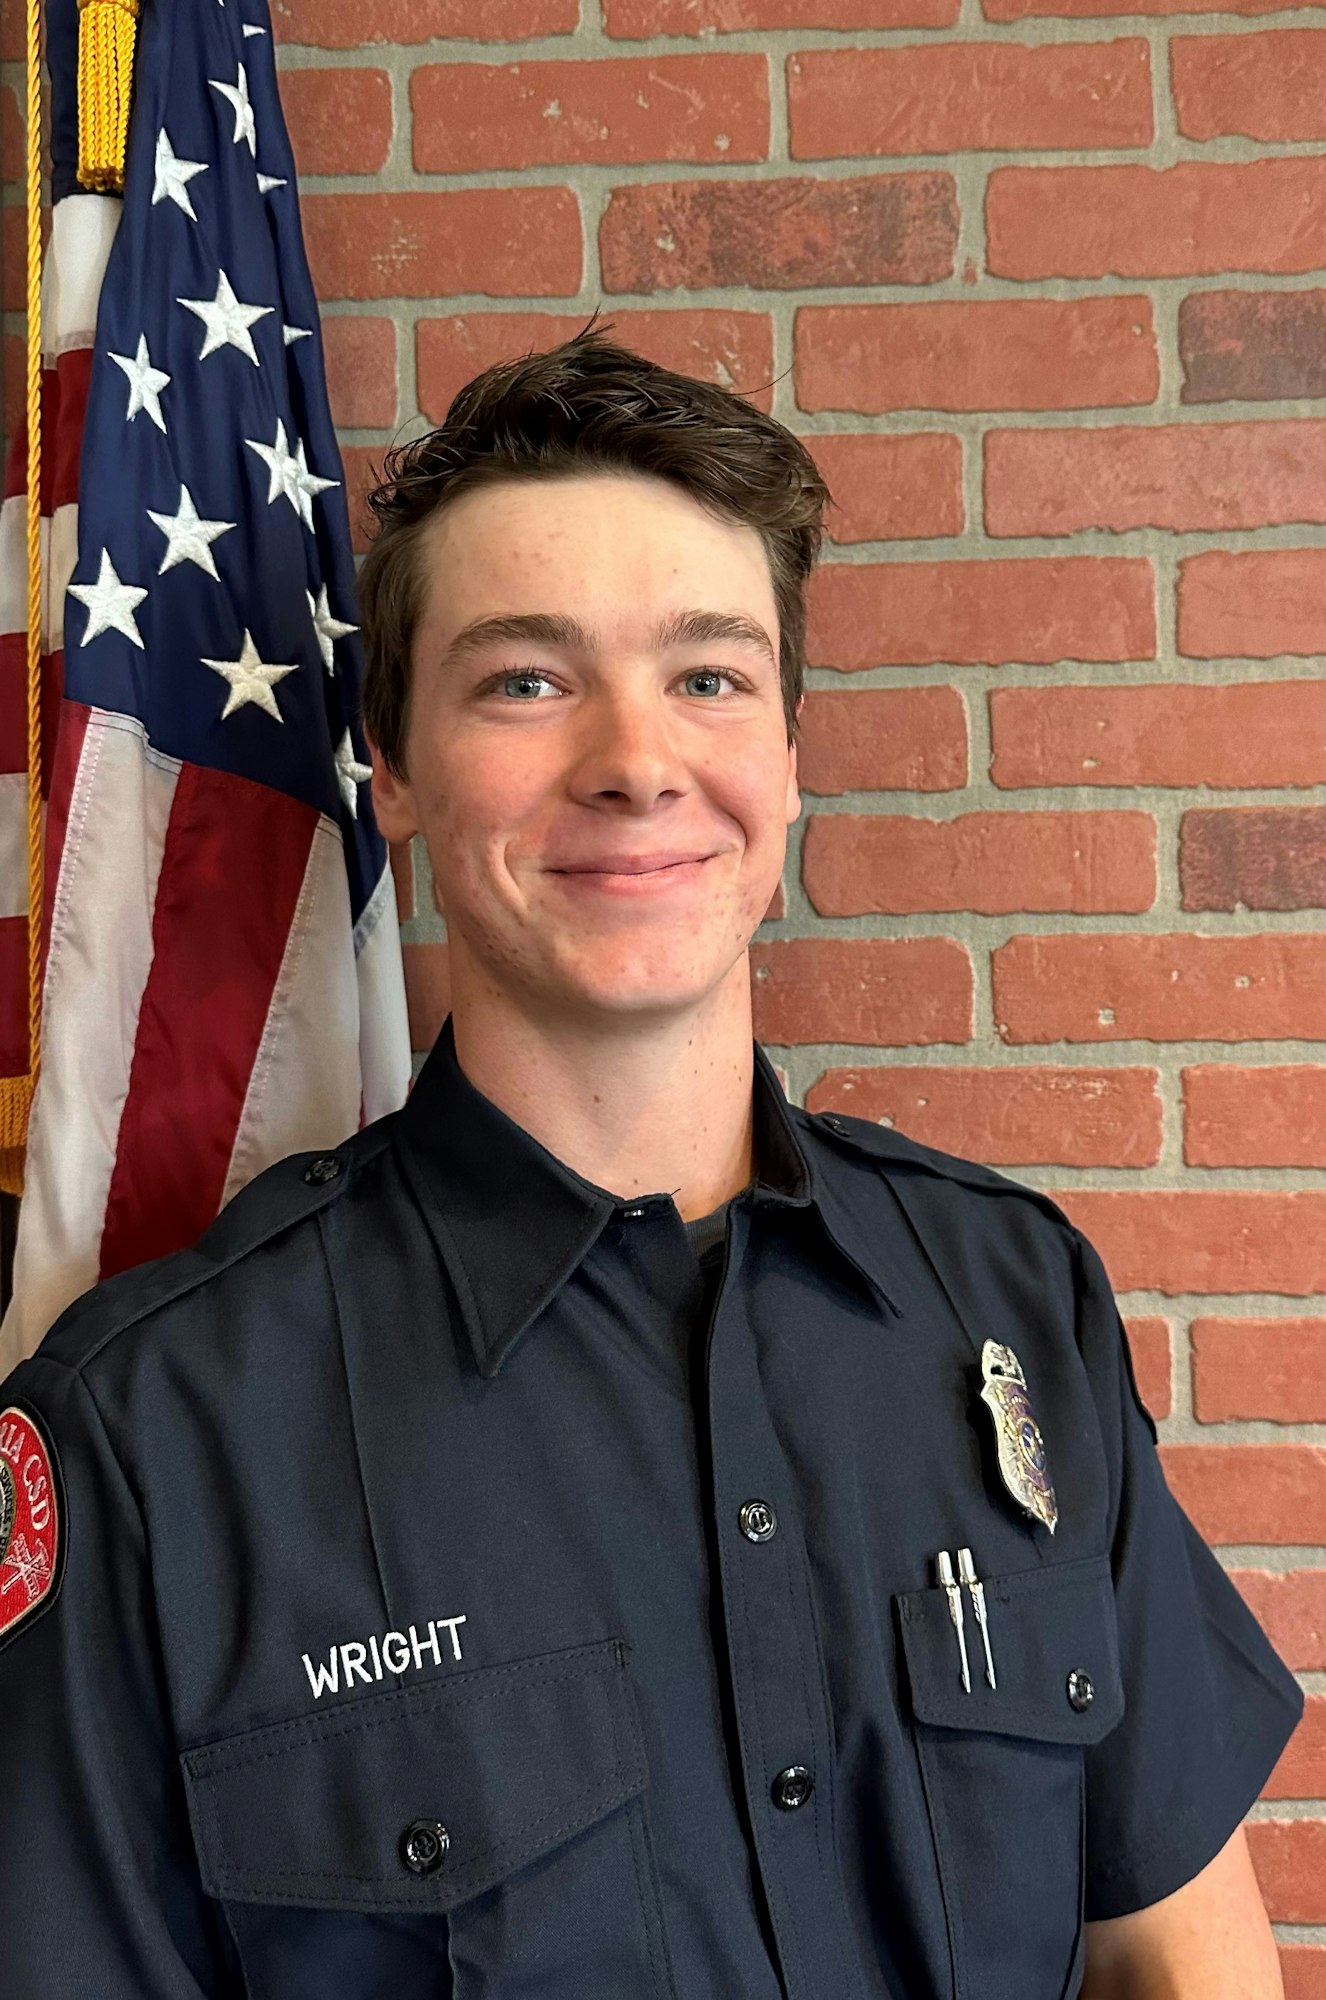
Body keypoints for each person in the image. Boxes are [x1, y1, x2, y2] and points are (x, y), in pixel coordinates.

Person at [0, 322, 1303, 2000]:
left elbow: (1176, 1956)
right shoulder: (147, 1433)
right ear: (389, 770)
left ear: (785, 760)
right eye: (524, 679)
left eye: (707, 675)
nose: (634, 758)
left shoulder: (1008, 1299)